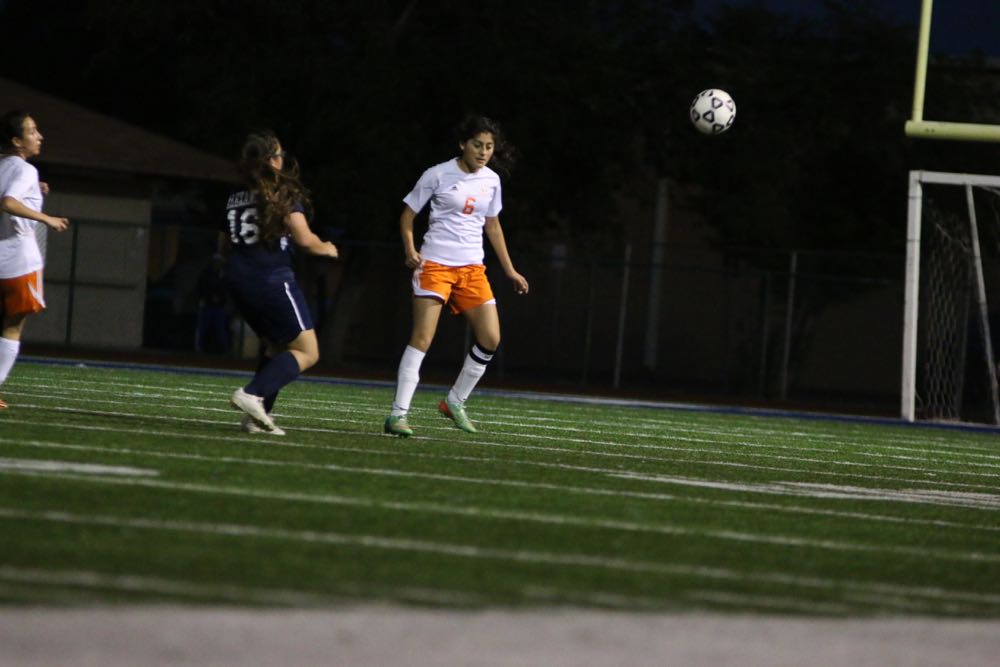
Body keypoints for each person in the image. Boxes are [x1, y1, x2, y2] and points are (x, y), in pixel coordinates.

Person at [384, 115, 529, 437]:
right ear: (462, 144)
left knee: (491, 338)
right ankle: (398, 415)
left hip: (472, 269)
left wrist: (509, 269)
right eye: (477, 145)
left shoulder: (491, 180)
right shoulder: (437, 174)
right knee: (422, 338)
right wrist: (410, 249)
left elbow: (492, 225)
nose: (483, 152)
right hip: (435, 265)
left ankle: (455, 401)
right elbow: (407, 216)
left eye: (489, 147)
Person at [224, 131, 338, 435]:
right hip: (270, 278)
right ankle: (252, 394)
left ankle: (255, 416)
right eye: (280, 155)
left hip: (237, 277)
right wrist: (326, 246)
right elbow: (305, 240)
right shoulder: (281, 194)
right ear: (272, 160)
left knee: (276, 347)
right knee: (308, 351)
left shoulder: (236, 195)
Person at [0, 110, 70, 409]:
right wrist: (46, 218)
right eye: (32, 131)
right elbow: (7, 202)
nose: (39, 136)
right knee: (13, 326)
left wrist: (35, 192)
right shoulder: (25, 171)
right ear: (17, 141)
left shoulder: (7, 167)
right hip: (17, 260)